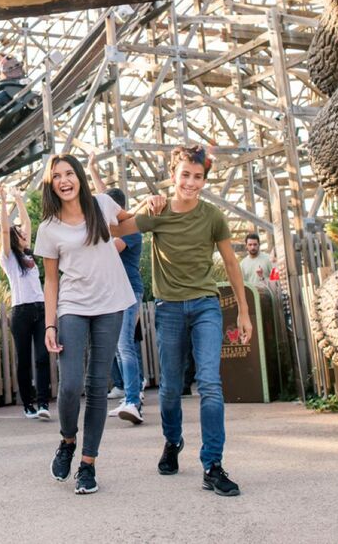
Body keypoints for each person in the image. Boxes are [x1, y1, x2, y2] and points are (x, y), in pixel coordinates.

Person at [113, 144, 252, 498]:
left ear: (205, 180)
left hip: (206, 305)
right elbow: (115, 226)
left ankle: (212, 465)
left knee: (210, 383)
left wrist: (244, 312)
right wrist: (145, 203)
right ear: (173, 175)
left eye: (198, 177)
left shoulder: (212, 216)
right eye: (185, 175)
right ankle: (172, 441)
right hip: (169, 308)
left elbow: (232, 264)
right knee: (171, 389)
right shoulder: (157, 212)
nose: (191, 183)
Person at [37, 153, 135, 495]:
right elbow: (50, 281)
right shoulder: (49, 227)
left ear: (79, 175)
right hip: (72, 306)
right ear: (51, 185)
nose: (64, 180)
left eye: (69, 173)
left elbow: (134, 224)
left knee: (97, 387)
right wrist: (50, 326)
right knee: (69, 384)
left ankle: (88, 464)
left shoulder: (102, 205)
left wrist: (154, 207)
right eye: (56, 176)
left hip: (111, 304)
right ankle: (67, 441)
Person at [87, 153, 145, 425]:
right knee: (118, 345)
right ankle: (128, 392)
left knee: (124, 345)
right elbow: (102, 200)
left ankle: (134, 398)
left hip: (130, 291)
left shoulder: (129, 229)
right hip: (114, 292)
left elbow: (112, 247)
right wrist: (91, 169)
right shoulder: (115, 226)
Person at [0, 183, 51, 422]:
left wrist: (18, 199)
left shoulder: (29, 254)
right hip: (20, 311)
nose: (22, 233)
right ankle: (28, 403)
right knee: (24, 360)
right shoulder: (9, 258)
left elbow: (27, 225)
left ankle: (42, 402)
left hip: (40, 308)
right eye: (18, 233)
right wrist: (2, 200)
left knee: (42, 356)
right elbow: (6, 231)